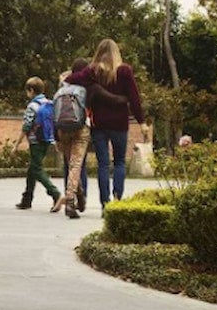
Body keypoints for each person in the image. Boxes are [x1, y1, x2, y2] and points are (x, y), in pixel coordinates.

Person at [64, 39, 148, 211]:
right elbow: (134, 98)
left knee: (103, 164)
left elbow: (72, 78)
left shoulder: (92, 71)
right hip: (119, 124)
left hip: (99, 124)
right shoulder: (124, 71)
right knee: (119, 163)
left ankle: (105, 203)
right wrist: (142, 122)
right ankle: (117, 199)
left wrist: (67, 77)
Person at [55, 58, 129, 219]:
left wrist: (56, 136)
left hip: (62, 129)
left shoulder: (63, 87)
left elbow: (56, 109)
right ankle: (71, 200)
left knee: (71, 165)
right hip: (80, 129)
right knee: (76, 165)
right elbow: (111, 98)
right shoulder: (89, 87)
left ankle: (78, 197)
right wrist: (124, 99)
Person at [12, 76, 62, 211]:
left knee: (37, 169)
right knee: (32, 168)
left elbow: (26, 126)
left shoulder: (32, 106)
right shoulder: (49, 103)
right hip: (46, 139)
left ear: (31, 90)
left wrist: (17, 144)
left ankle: (55, 193)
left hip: (35, 141)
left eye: (27, 91)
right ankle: (27, 199)